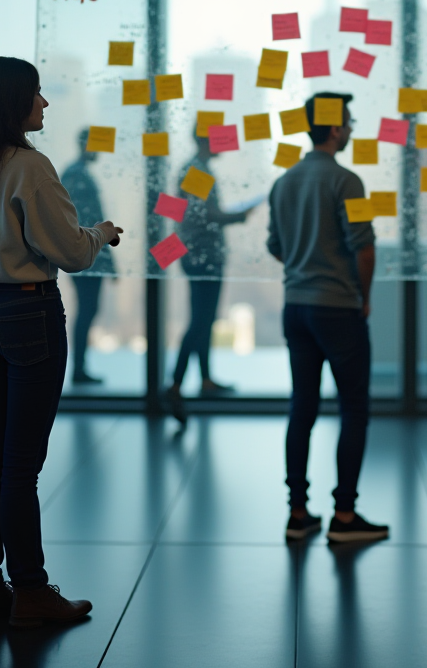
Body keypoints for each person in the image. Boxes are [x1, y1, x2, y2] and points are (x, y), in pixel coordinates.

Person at [0, 57, 122, 627]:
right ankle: (34, 593)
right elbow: (69, 249)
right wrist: (102, 234)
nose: (44, 105)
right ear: (14, 103)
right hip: (29, 313)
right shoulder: (30, 167)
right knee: (21, 465)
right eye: (36, 96)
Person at [267, 92, 388, 545]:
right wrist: (365, 297)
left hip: (295, 307)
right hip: (338, 307)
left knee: (303, 407)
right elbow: (365, 246)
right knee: (354, 408)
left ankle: (298, 514)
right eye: (350, 121)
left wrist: (303, 262)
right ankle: (344, 515)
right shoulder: (348, 181)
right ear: (335, 129)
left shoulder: (284, 182)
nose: (353, 127)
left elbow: (275, 245)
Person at [166, 132, 252, 422]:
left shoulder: (197, 169)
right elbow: (205, 214)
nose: (226, 142)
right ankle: (176, 384)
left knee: (204, 319)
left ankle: (204, 379)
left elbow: (189, 212)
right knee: (201, 321)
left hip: (197, 255)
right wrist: (238, 216)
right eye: (221, 137)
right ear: (206, 139)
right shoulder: (197, 170)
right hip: (202, 257)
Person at [61, 128, 116, 384]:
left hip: (90, 255)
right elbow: (84, 221)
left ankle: (79, 368)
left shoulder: (78, 174)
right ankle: (78, 369)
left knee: (88, 310)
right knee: (86, 311)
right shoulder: (76, 174)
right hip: (86, 256)